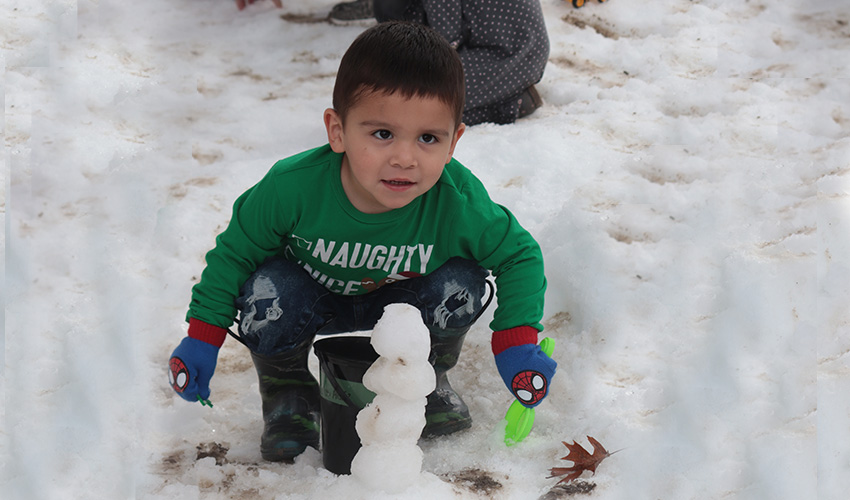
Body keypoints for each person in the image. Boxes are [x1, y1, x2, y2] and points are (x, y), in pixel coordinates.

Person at [167, 21, 557, 462]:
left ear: (453, 143)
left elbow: (519, 255)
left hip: (402, 301)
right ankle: (288, 395)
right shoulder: (292, 188)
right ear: (338, 131)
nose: (404, 158)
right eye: (382, 134)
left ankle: (424, 382)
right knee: (265, 288)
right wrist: (202, 336)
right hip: (308, 299)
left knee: (462, 282)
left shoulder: (456, 201)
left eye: (428, 138)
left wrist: (516, 340)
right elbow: (234, 255)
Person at [329, 0, 549, 125]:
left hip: (506, 57)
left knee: (416, 110)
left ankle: (513, 104)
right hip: (529, 49)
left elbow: (446, 39)